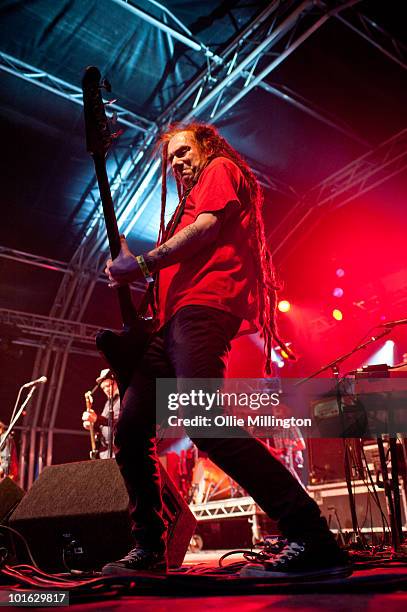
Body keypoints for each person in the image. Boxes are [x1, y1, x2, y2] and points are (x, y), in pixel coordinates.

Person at [102, 123, 350, 579]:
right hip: (170, 325)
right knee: (131, 432)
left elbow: (208, 227)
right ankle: (150, 548)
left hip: (203, 311)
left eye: (183, 151)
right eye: (170, 158)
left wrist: (139, 263)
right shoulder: (184, 200)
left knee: (204, 424)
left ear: (205, 146)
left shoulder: (220, 168)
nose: (176, 162)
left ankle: (311, 534)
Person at [82, 369, 120, 459]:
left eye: (108, 386)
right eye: (103, 388)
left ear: (116, 382)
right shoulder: (108, 404)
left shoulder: (123, 400)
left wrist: (97, 419)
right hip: (106, 453)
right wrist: (93, 425)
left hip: (120, 453)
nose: (106, 390)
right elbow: (105, 425)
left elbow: (122, 423)